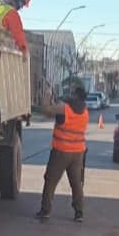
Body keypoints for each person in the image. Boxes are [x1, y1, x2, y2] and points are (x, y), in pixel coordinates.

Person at [36, 83, 89, 223]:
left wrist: (47, 94)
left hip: (61, 151)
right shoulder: (84, 111)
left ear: (76, 95)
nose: (70, 95)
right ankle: (79, 212)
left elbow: (46, 110)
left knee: (50, 180)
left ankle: (45, 210)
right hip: (78, 153)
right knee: (76, 183)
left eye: (72, 93)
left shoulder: (65, 108)